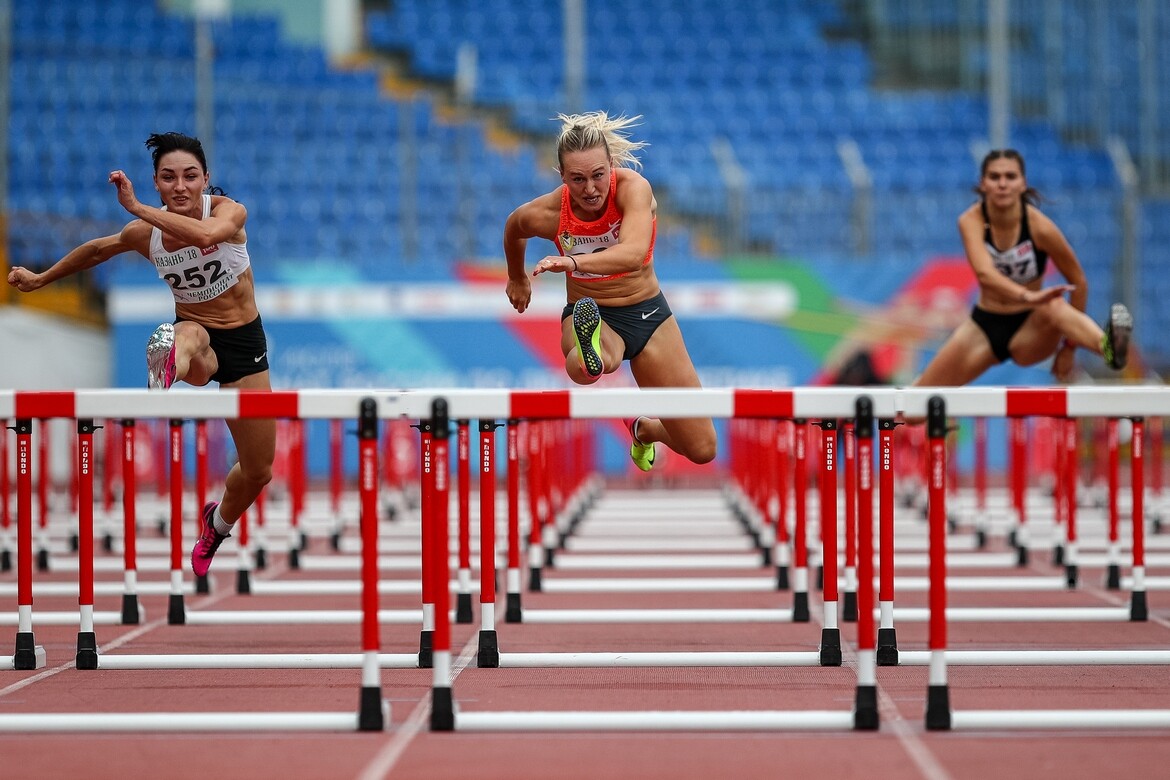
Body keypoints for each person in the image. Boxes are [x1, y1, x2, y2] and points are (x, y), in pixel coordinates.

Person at [7, 131, 273, 577]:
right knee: (187, 335)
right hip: (198, 334)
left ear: (206, 179)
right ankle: (168, 361)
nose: (180, 186)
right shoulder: (143, 235)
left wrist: (137, 209)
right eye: (169, 177)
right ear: (156, 182)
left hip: (245, 344)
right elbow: (95, 250)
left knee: (259, 470)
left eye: (190, 176)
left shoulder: (229, 212)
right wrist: (41, 278)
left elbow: (209, 234)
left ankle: (217, 523)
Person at [503, 111, 717, 471]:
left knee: (702, 448)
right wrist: (516, 278)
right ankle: (595, 350)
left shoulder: (634, 190)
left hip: (648, 314)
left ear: (612, 166)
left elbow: (633, 254)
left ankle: (644, 429)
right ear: (562, 177)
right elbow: (514, 228)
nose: (590, 189)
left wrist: (572, 264)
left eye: (598, 176)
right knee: (592, 367)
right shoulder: (550, 212)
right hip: (591, 309)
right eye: (578, 179)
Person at [913, 148, 1132, 389]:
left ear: (1023, 183)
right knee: (918, 401)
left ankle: (1107, 348)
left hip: (1030, 330)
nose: (1003, 184)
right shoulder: (971, 221)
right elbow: (985, 275)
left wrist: (1069, 348)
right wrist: (1029, 295)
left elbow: (1078, 281)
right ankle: (895, 425)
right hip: (984, 327)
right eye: (994, 177)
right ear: (983, 184)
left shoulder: (1041, 228)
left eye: (1010, 177)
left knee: (1054, 305)